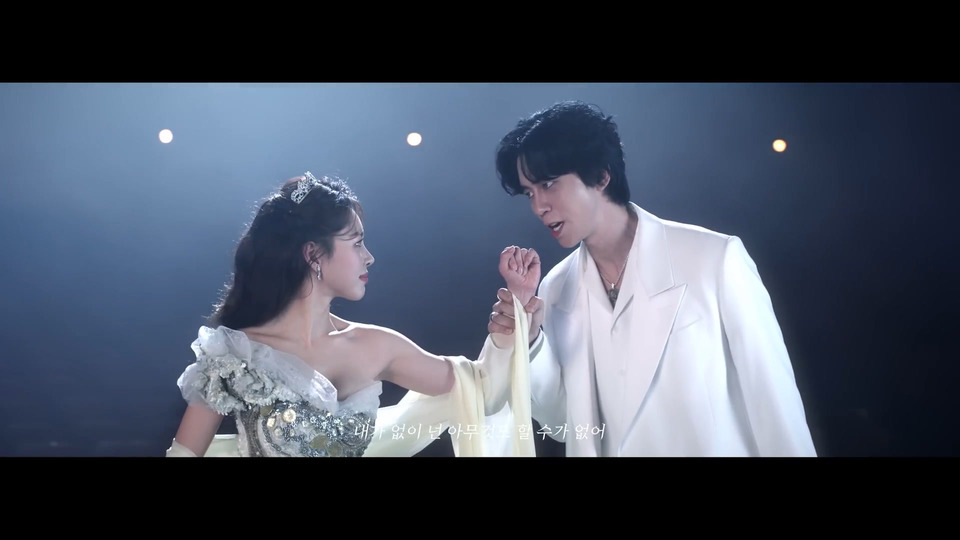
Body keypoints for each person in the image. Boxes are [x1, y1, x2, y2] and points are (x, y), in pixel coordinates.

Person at [485, 100, 817, 457]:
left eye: (549, 184)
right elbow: (564, 425)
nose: (538, 206)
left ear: (601, 175)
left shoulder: (714, 259)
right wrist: (531, 339)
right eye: (530, 193)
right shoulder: (554, 287)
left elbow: (774, 404)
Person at [166, 172, 534, 458]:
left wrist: (514, 315)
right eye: (357, 243)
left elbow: (479, 391)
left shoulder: (378, 346)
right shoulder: (236, 355)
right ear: (313, 254)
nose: (369, 257)